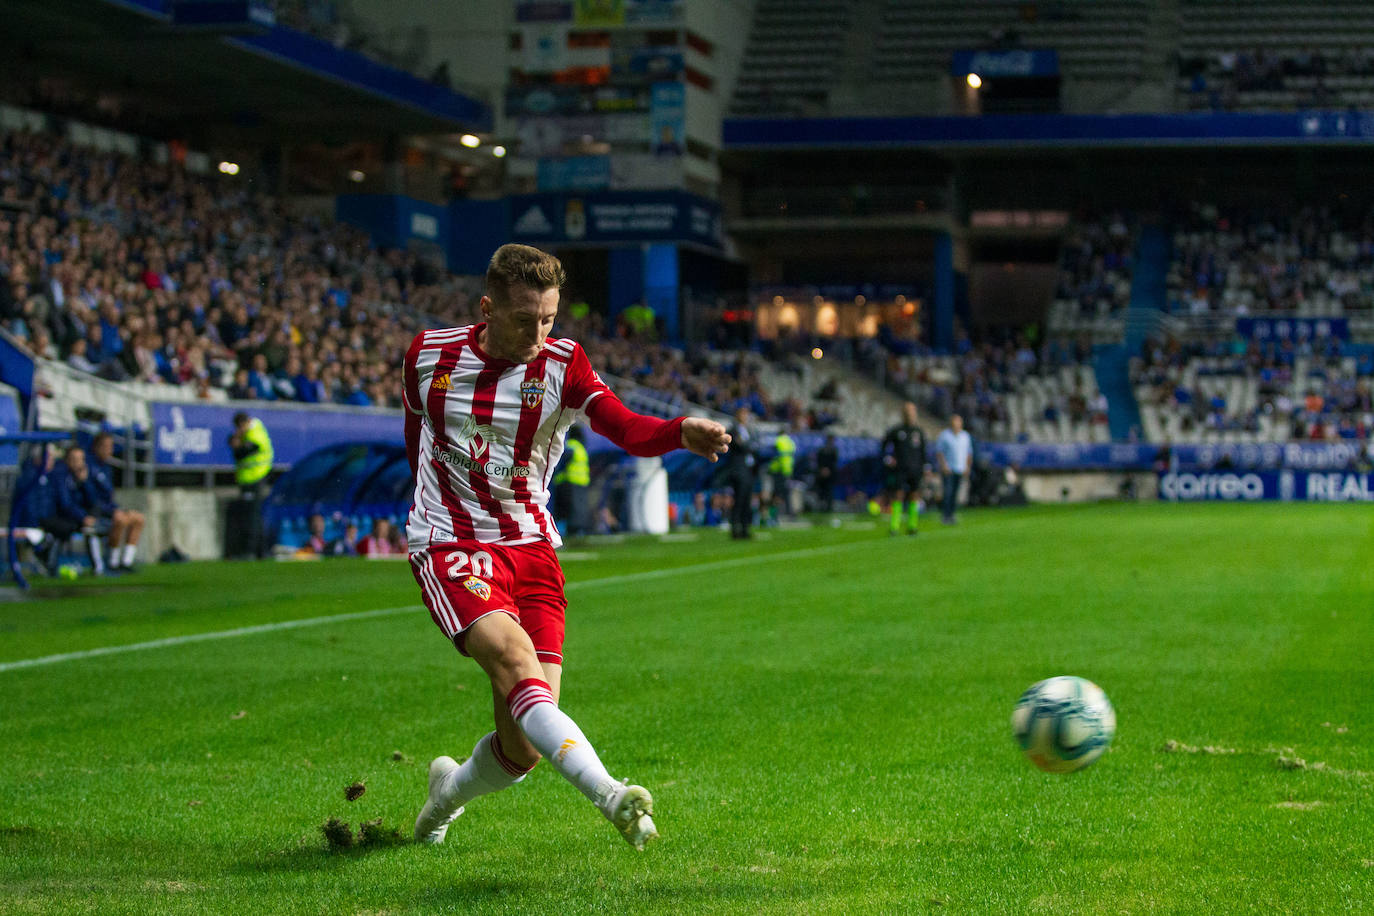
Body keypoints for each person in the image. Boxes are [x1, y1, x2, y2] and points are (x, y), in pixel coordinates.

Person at [404, 244, 730, 851]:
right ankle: (613, 796)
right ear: (487, 306)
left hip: (532, 548)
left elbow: (622, 424)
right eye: (526, 318)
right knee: (515, 665)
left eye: (549, 318)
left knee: (522, 748)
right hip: (453, 541)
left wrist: (678, 431)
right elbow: (415, 438)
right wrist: (435, 514)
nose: (539, 332)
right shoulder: (428, 356)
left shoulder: (564, 363)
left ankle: (444, 796)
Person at [86, 432, 146, 571]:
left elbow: (109, 495)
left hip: (110, 508)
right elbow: (91, 496)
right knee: (120, 519)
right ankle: (113, 562)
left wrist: (117, 508)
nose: (110, 450)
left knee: (139, 518)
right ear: (96, 447)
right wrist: (112, 510)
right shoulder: (90, 467)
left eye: (111, 446)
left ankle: (126, 561)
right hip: (97, 511)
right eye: (106, 446)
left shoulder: (106, 467)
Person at [48, 447, 107, 575]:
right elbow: (65, 504)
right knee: (64, 529)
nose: (78, 463)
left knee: (93, 528)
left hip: (81, 517)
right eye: (74, 459)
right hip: (62, 516)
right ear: (67, 461)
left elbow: (93, 501)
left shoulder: (85, 476)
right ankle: (51, 565)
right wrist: (83, 517)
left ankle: (99, 567)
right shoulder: (61, 476)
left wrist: (85, 483)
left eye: (80, 459)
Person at [229, 411, 274, 558]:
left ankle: (251, 551)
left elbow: (244, 451)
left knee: (252, 516)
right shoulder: (250, 434)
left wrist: (237, 445)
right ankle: (261, 551)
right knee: (252, 516)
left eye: (240, 427)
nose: (239, 431)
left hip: (256, 478)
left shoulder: (255, 432)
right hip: (250, 479)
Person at [882, 402, 927, 536]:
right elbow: (884, 445)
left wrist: (925, 466)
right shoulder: (897, 430)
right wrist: (888, 458)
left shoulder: (919, 432)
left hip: (916, 469)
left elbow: (923, 451)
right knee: (898, 495)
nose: (910, 414)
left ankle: (912, 526)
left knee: (914, 496)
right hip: (900, 469)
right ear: (903, 413)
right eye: (908, 411)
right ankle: (894, 526)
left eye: (912, 411)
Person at [552, 425, 591, 537]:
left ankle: (561, 532)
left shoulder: (570, 446)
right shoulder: (582, 449)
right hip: (581, 483)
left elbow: (561, 464)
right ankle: (577, 532)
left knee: (563, 510)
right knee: (577, 510)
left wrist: (556, 475)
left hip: (567, 483)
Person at [724, 407, 756, 539]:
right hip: (738, 469)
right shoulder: (733, 430)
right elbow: (742, 446)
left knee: (746, 501)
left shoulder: (747, 431)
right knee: (739, 500)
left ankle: (745, 529)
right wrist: (750, 446)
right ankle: (735, 529)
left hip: (748, 469)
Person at [936, 413, 973, 525]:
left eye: (958, 422)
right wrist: (943, 465)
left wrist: (967, 466)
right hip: (948, 469)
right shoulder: (945, 435)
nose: (956, 424)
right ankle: (945, 515)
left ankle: (951, 514)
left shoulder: (965, 436)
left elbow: (969, 453)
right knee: (948, 492)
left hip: (960, 468)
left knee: (955, 493)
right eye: (954, 422)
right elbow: (939, 452)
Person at [766, 427, 796, 522]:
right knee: (787, 493)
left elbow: (773, 455)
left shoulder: (778, 441)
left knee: (776, 492)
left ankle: (775, 514)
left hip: (778, 470)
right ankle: (789, 512)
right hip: (787, 470)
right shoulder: (790, 442)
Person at [813, 433, 839, 514]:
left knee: (828, 491)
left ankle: (827, 507)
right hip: (825, 473)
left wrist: (825, 469)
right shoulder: (831, 450)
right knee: (824, 491)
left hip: (828, 473)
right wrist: (824, 469)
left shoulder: (829, 450)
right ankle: (824, 506)